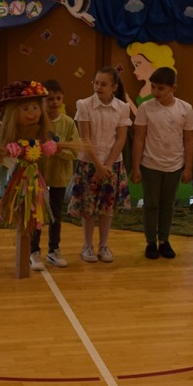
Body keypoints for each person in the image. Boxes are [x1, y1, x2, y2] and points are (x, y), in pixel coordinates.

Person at [0, 80, 59, 278]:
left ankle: (34, 253)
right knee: (22, 213)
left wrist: (48, 147)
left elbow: (44, 146)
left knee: (34, 214)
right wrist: (13, 149)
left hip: (36, 179)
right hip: (20, 180)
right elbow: (7, 150)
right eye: (26, 108)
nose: (32, 113)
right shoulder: (14, 134)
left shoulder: (40, 133)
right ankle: (26, 257)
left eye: (35, 108)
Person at [130, 65, 193, 259]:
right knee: (151, 204)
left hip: (174, 166)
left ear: (173, 88)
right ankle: (151, 241)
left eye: (161, 88)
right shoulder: (145, 108)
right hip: (150, 165)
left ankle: (164, 240)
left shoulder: (185, 109)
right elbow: (139, 139)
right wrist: (136, 167)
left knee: (168, 205)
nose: (155, 92)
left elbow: (189, 140)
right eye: (153, 87)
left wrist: (188, 167)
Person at [69, 66, 132, 263]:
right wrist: (98, 166)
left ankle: (103, 245)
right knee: (88, 207)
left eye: (103, 84)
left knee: (107, 206)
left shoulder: (123, 107)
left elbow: (121, 139)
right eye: (96, 83)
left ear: (114, 87)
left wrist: (108, 165)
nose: (98, 87)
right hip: (89, 163)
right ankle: (87, 245)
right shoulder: (84, 105)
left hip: (112, 164)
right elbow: (85, 138)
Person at [40, 79, 79, 268]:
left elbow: (75, 152)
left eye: (58, 98)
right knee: (37, 214)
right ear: (42, 100)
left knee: (56, 214)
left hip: (59, 177)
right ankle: (33, 251)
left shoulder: (68, 123)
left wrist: (58, 150)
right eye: (50, 99)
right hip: (38, 176)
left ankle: (53, 250)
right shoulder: (36, 121)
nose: (54, 102)